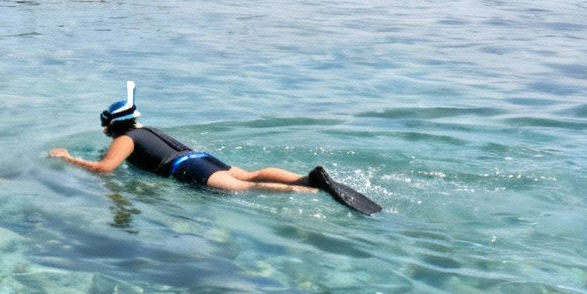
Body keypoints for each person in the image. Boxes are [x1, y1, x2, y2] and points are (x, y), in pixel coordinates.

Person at [48, 83, 380, 213]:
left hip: (186, 169)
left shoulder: (124, 139)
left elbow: (104, 169)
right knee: (248, 175)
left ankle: (312, 193)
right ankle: (304, 180)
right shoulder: (149, 129)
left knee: (240, 190)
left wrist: (68, 159)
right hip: (200, 158)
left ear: (111, 124)